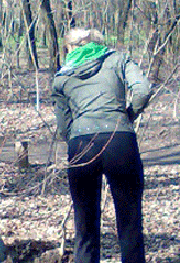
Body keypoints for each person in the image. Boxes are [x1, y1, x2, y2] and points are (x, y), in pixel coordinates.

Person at [52, 28, 152, 263]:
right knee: (130, 221)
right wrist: (127, 116)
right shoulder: (117, 59)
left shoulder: (62, 77)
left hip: (81, 144)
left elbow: (63, 126)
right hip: (120, 141)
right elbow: (143, 90)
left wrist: (76, 138)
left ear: (71, 48)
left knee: (85, 225)